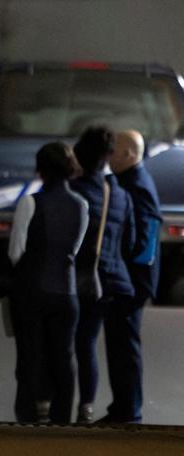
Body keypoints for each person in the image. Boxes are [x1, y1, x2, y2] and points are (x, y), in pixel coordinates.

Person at [8, 142, 88, 423]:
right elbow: (74, 248)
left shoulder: (30, 203)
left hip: (32, 289)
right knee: (64, 359)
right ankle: (62, 419)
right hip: (67, 291)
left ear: (40, 168)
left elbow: (16, 251)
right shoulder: (81, 205)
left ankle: (28, 417)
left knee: (30, 356)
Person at [70, 126, 135, 423]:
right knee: (89, 343)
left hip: (80, 279)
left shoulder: (75, 192)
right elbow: (129, 241)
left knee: (70, 343)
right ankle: (87, 406)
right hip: (113, 280)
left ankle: (57, 402)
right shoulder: (120, 195)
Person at [102, 130, 162, 423]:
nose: (108, 156)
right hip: (130, 280)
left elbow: (149, 232)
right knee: (121, 346)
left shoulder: (137, 184)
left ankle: (128, 412)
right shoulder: (131, 180)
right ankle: (123, 409)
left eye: (113, 151)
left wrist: (134, 274)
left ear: (128, 154)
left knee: (125, 348)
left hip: (133, 282)